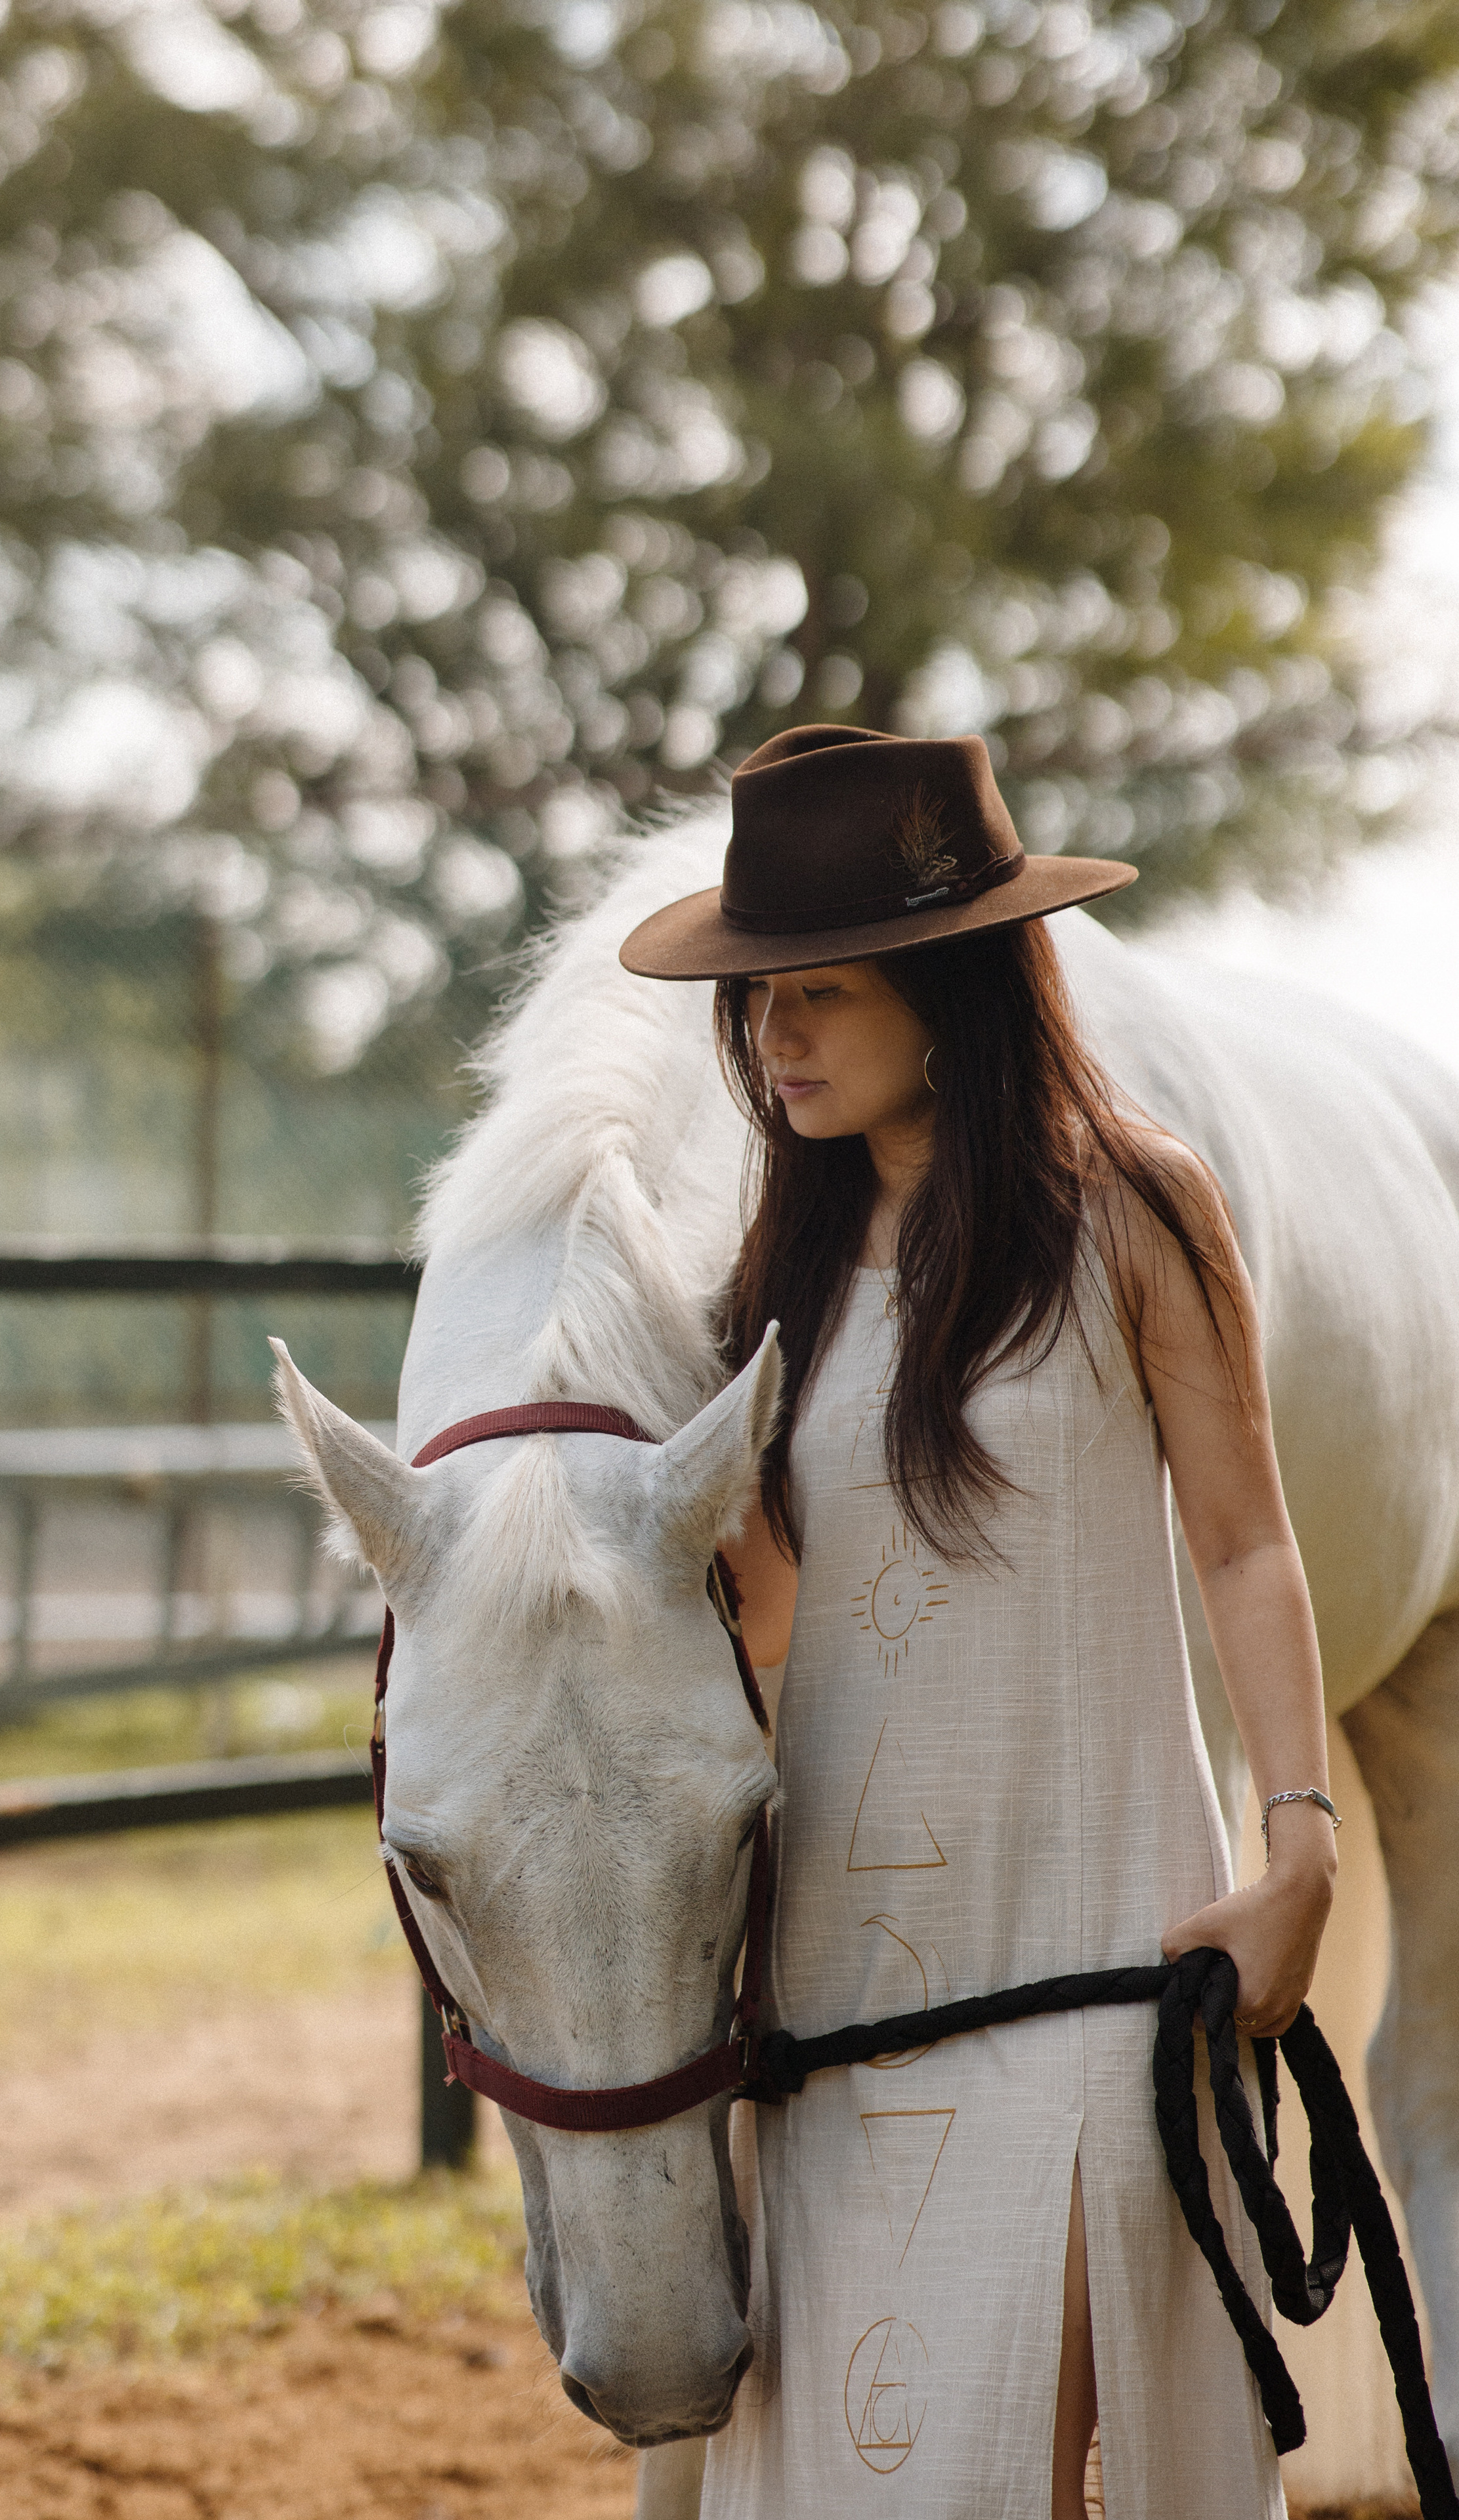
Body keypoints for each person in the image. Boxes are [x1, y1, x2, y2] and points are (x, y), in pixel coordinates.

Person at [618, 724, 1336, 2520]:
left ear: (950, 988)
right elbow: (773, 1634)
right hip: (845, 1987)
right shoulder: (767, 1285)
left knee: (1033, 2461)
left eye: (821, 994)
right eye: (757, 999)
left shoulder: (1137, 1210)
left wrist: (1299, 1843)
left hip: (1101, 1947)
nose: (774, 1039)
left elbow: (1247, 1544)